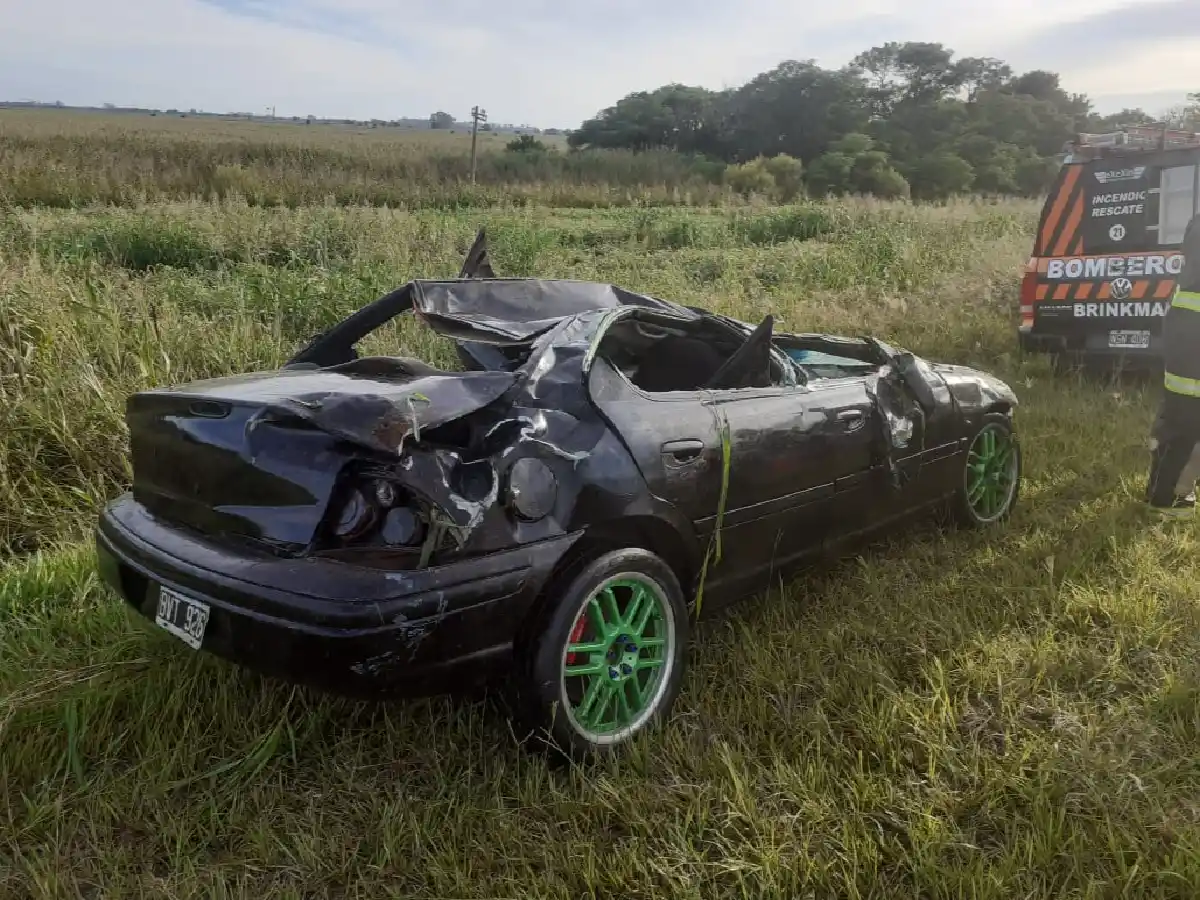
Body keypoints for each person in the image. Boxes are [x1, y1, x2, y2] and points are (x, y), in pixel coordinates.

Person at [1146, 213, 1200, 517]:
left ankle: (1160, 492)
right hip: (1194, 338)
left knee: (1177, 416)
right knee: (1189, 424)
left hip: (1184, 332)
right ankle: (1172, 499)